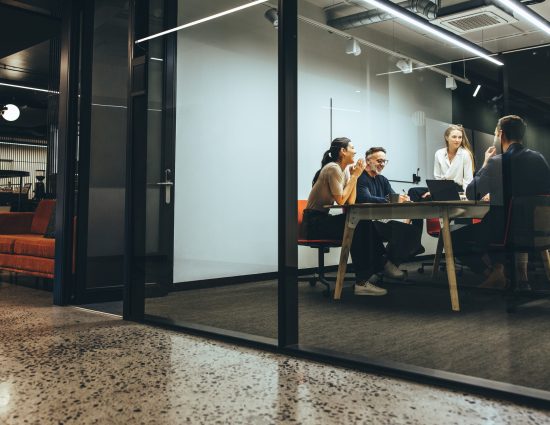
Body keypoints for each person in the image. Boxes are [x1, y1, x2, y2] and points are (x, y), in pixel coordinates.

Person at [453, 115, 550, 287]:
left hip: (505, 231)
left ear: (501, 134)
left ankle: (492, 273)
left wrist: (485, 163)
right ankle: (504, 273)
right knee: (497, 221)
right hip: (537, 229)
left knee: (456, 239)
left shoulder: (498, 162)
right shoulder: (539, 159)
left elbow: (471, 193)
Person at [304, 138, 388, 296]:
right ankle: (365, 279)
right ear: (343, 151)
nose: (355, 151)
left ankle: (377, 267)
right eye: (352, 147)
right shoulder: (333, 168)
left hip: (322, 220)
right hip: (314, 223)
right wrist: (356, 176)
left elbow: (350, 202)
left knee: (361, 223)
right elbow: (341, 200)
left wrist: (354, 176)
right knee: (359, 224)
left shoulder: (343, 171)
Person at [356, 147, 423, 275]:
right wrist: (391, 200)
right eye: (379, 161)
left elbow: (393, 196)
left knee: (412, 231)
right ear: (368, 161)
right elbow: (365, 198)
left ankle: (389, 263)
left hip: (381, 221)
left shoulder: (382, 179)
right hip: (365, 224)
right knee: (406, 233)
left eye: (384, 161)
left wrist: (403, 199)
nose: (382, 164)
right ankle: (386, 265)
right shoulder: (361, 178)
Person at [434, 124, 475, 192]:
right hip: (442, 188)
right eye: (454, 137)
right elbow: (437, 177)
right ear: (447, 137)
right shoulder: (439, 153)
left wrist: (465, 197)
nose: (457, 140)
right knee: (414, 191)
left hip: (458, 189)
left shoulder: (465, 154)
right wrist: (434, 191)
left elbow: (468, 180)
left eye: (460, 137)